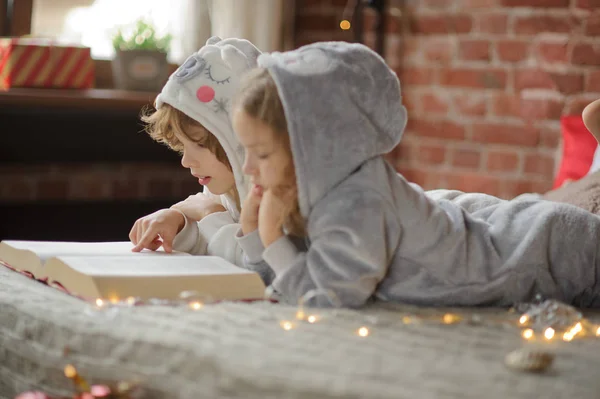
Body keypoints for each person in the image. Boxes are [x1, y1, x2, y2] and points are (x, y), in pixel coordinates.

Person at [232, 41, 600, 309]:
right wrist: (254, 234)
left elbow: (326, 297)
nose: (248, 168)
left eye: (261, 154)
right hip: (490, 233)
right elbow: (284, 283)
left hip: (539, 249)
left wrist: (268, 236)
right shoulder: (326, 185)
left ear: (314, 147)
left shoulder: (355, 200)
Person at [128, 36, 272, 282]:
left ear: (242, 141)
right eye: (182, 145)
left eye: (201, 144)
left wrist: (209, 213)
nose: (186, 162)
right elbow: (213, 243)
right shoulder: (225, 190)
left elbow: (260, 267)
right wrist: (179, 221)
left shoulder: (276, 195)